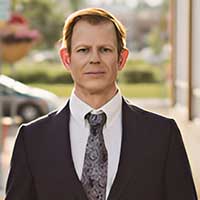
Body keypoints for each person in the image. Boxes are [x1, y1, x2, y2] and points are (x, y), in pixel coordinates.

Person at [5, 8, 197, 200]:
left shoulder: (163, 135)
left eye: (105, 49)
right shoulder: (32, 139)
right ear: (67, 59)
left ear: (121, 59)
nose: (94, 59)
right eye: (83, 50)